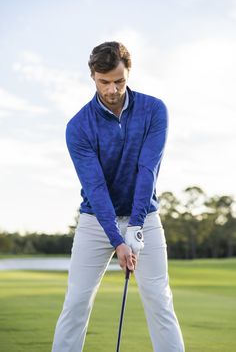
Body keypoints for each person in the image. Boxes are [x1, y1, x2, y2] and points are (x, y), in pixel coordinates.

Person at [52, 41, 185, 352]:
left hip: (146, 218)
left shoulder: (154, 110)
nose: (112, 90)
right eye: (104, 82)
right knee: (77, 301)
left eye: (119, 81)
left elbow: (146, 170)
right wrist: (117, 239)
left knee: (158, 298)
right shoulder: (78, 126)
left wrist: (136, 227)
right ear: (93, 77)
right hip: (95, 220)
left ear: (128, 74)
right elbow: (95, 187)